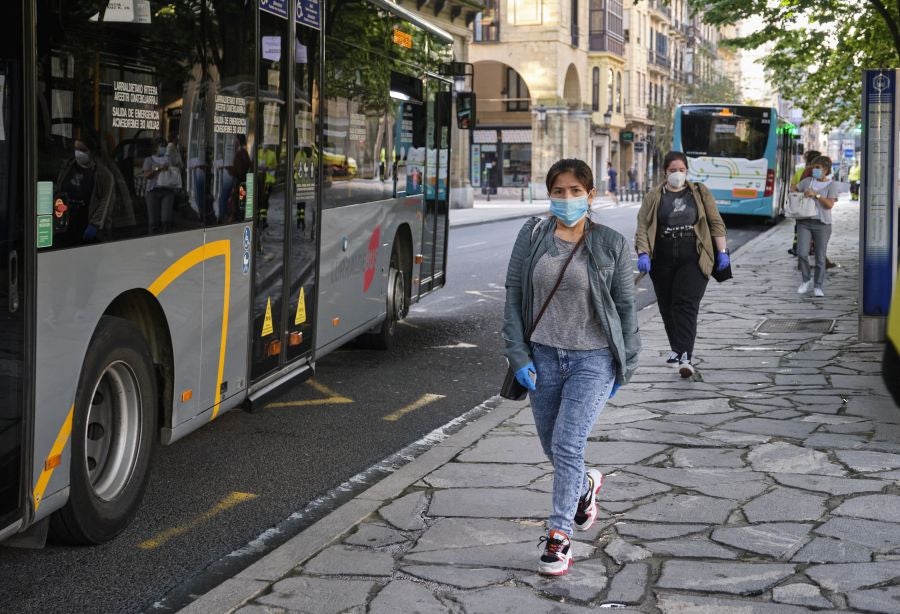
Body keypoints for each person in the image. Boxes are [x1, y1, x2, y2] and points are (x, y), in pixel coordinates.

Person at [502, 158, 640, 576]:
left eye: (575, 191)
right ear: (549, 194)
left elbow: (625, 307)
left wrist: (624, 365)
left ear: (590, 194)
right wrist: (518, 355)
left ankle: (559, 537)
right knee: (554, 448)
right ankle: (584, 486)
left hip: (593, 358)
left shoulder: (611, 243)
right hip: (543, 356)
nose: (566, 199)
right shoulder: (532, 235)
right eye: (558, 191)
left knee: (566, 445)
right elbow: (513, 296)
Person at [634, 151, 728, 378]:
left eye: (682, 170)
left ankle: (686, 355)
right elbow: (643, 226)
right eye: (673, 170)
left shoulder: (699, 192)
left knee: (685, 304)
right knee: (667, 306)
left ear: (687, 171)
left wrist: (723, 252)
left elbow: (715, 223)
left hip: (693, 255)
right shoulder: (654, 196)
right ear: (665, 172)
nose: (678, 174)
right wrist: (643, 253)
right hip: (662, 256)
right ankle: (677, 349)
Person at [55, 137, 116, 246]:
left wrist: (94, 224)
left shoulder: (103, 174)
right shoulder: (68, 166)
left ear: (92, 152)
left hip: (86, 221)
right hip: (66, 219)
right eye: (76, 149)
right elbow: (59, 187)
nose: (78, 153)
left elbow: (105, 202)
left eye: (82, 150)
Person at [793, 155, 839, 297]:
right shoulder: (807, 181)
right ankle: (806, 280)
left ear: (825, 170)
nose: (815, 170)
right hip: (804, 222)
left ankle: (818, 285)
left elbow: (830, 205)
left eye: (817, 168)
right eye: (813, 168)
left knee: (820, 257)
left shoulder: (832, 185)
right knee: (801, 252)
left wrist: (816, 195)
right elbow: (794, 189)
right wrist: (797, 192)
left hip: (822, 224)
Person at [143, 137, 182, 233]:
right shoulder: (149, 160)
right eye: (162, 146)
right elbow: (146, 175)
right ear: (156, 147)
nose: (164, 148)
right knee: (153, 222)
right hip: (153, 192)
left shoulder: (169, 159)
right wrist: (158, 169)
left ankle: (165, 244)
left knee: (166, 221)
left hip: (167, 191)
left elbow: (177, 167)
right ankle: (153, 243)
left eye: (165, 146)